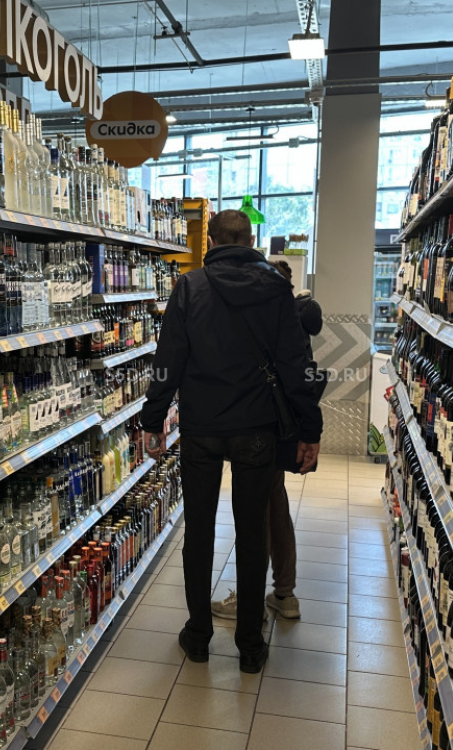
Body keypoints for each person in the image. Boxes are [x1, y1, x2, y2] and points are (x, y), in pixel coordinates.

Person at [140, 210, 323, 674]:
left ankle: (198, 635)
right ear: (250, 239)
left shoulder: (189, 287)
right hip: (256, 428)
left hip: (201, 428)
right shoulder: (276, 288)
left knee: (199, 531)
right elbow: (296, 364)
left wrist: (153, 418)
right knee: (251, 533)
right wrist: (310, 429)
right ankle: (250, 644)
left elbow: (168, 358)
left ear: (210, 242)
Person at [211, 258, 325, 623]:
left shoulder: (266, 317)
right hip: (284, 426)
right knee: (275, 505)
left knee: (256, 512)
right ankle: (284, 594)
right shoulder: (293, 315)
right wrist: (309, 430)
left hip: (261, 427)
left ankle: (251, 602)